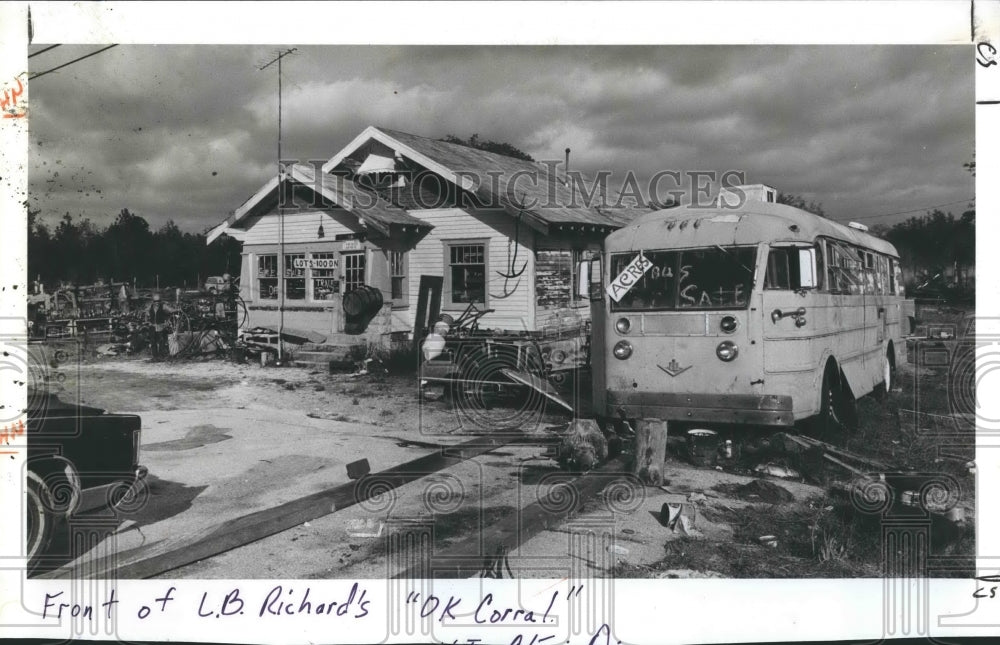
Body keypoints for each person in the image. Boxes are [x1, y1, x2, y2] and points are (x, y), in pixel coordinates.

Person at [146, 292, 173, 360]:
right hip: (152, 326)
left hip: (161, 326)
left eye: (158, 301)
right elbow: (146, 314)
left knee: (161, 341)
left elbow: (171, 311)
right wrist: (147, 321)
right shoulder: (150, 307)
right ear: (153, 301)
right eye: (155, 301)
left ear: (160, 301)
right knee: (153, 342)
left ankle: (161, 356)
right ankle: (155, 356)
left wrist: (167, 321)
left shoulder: (163, 306)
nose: (157, 302)